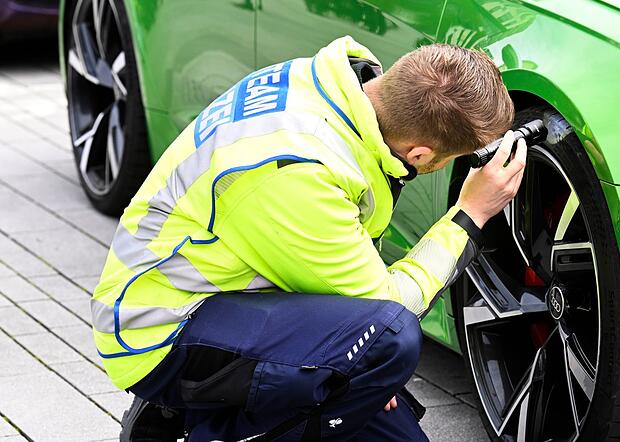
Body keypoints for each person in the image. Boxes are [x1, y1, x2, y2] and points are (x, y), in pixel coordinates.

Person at [93, 36, 525, 441]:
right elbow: (389, 307)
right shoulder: (300, 171)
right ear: (419, 155)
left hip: (234, 292)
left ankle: (201, 408)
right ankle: (203, 422)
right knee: (390, 338)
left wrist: (359, 368)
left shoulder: (330, 87)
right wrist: (470, 214)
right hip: (162, 329)